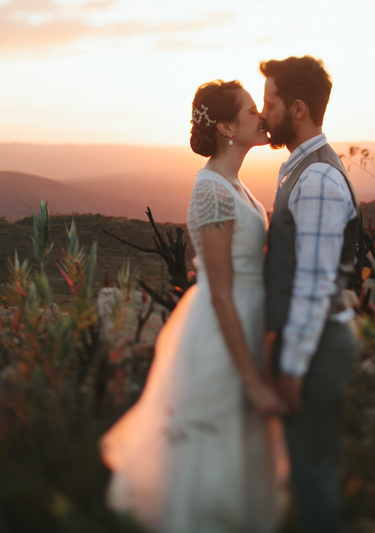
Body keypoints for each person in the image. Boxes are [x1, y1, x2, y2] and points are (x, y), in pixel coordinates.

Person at [100, 79, 287, 533]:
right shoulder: (211, 190)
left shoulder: (235, 183)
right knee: (212, 452)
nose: (261, 117)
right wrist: (252, 379)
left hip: (247, 320)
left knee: (240, 453)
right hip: (222, 333)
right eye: (249, 111)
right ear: (226, 127)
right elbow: (220, 292)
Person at [259, 56, 361, 533]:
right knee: (305, 472)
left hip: (316, 351)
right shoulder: (299, 167)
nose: (263, 114)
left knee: (312, 476)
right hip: (311, 344)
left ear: (297, 109)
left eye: (270, 102)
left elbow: (314, 285)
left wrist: (293, 367)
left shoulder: (317, 178)